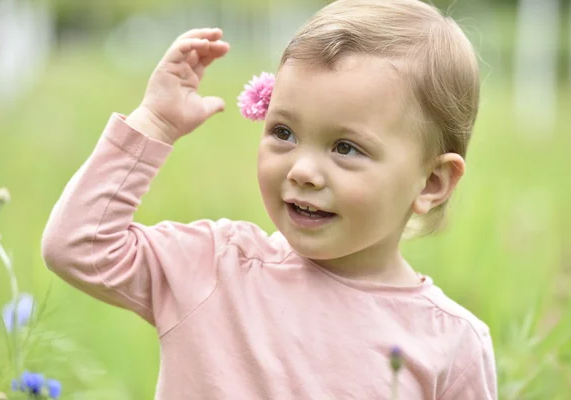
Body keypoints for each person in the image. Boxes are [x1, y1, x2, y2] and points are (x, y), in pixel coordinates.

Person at [41, 0, 497, 398]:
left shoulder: (450, 343)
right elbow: (79, 246)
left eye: (345, 147)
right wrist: (155, 124)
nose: (301, 170)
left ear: (432, 183)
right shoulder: (216, 267)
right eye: (284, 132)